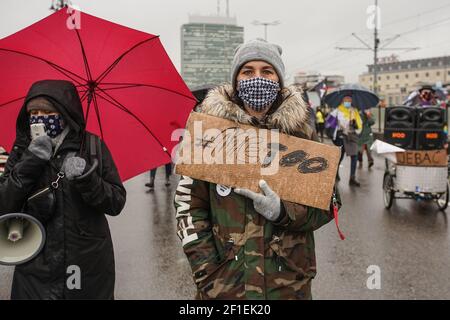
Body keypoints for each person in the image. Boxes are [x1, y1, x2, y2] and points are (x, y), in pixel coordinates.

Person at [174, 39, 340, 300]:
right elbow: (188, 206)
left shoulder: (302, 134)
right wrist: (207, 270)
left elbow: (330, 202)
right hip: (225, 287)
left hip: (287, 286)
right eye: (248, 71)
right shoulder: (210, 132)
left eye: (267, 71)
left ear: (279, 79)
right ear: (236, 79)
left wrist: (283, 212)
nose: (257, 78)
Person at [0, 80, 126, 299]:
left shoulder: (92, 146)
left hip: (87, 263)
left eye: (47, 111)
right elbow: (4, 204)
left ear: (65, 113)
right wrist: (31, 161)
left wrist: (88, 179)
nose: (39, 117)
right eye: (34, 112)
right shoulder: (21, 148)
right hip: (35, 266)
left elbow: (116, 201)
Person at [331, 95, 362, 187]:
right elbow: (329, 122)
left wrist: (355, 123)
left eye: (349, 100)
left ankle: (352, 178)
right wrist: (337, 125)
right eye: (346, 100)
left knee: (355, 156)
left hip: (352, 136)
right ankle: (336, 173)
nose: (348, 102)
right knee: (340, 156)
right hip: (342, 136)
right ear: (342, 101)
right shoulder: (337, 111)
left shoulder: (354, 111)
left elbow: (360, 124)